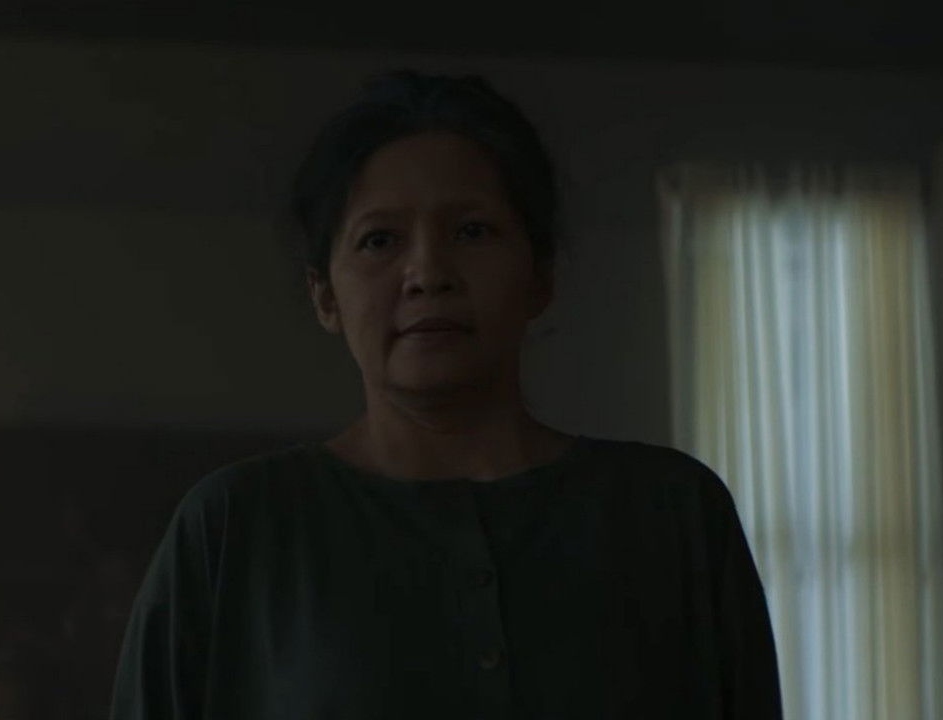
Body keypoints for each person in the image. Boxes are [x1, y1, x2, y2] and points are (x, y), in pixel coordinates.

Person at [108, 68, 783, 719]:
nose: (428, 272)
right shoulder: (234, 532)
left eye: (471, 231)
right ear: (325, 295)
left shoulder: (672, 516)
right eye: (379, 240)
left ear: (540, 274)